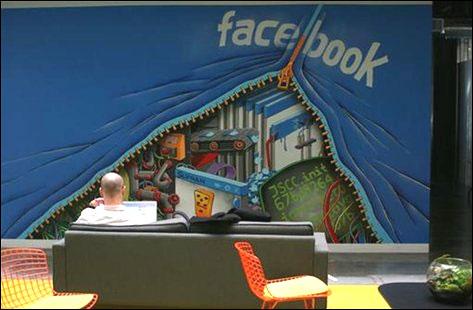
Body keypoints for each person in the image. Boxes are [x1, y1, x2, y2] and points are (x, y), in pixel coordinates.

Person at [75, 172, 154, 225]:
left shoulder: (87, 216)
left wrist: (91, 207)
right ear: (123, 190)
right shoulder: (139, 217)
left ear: (101, 191)